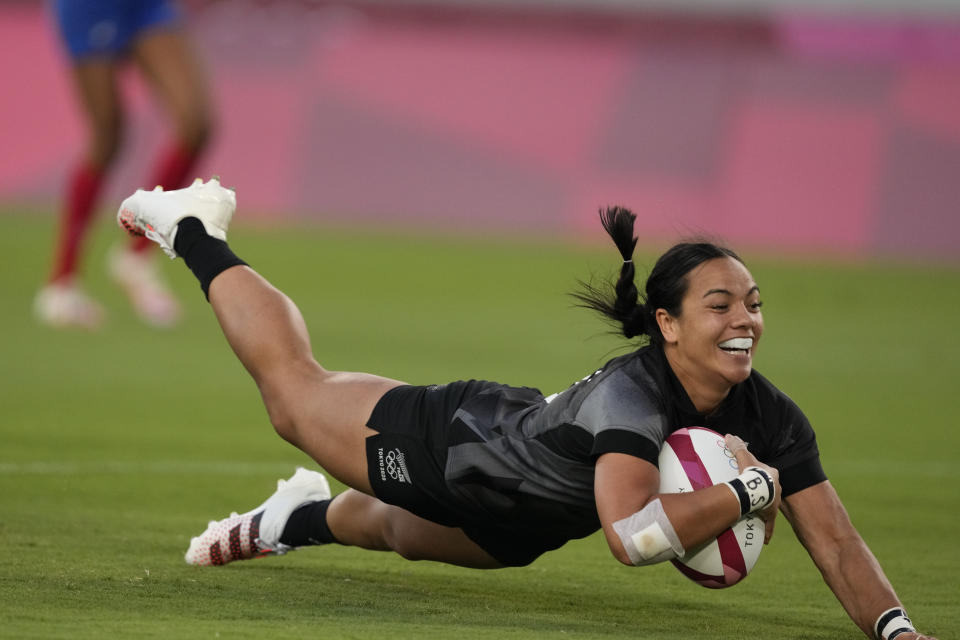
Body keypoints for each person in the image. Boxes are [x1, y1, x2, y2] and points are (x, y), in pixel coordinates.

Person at [116, 178, 936, 640]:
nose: (745, 321)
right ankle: (194, 228)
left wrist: (897, 633)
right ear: (668, 324)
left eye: (753, 303)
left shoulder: (772, 417)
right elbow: (634, 538)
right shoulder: (633, 397)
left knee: (390, 529)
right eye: (720, 305)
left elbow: (832, 536)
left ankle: (289, 519)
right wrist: (752, 495)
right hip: (458, 443)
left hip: (521, 527)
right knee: (295, 397)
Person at [35, 0, 214, 329]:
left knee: (197, 123)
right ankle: (62, 283)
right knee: (109, 137)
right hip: (89, 8)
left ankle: (135, 256)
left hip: (144, 6)